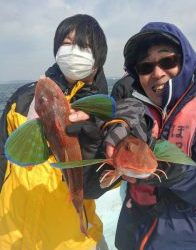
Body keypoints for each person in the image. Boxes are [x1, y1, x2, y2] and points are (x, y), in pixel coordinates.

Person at [103, 22, 196, 250]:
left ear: (185, 60)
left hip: (190, 241)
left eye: (167, 61)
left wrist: (173, 170)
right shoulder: (134, 109)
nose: (157, 73)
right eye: (145, 67)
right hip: (134, 235)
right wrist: (104, 130)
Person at [0, 14, 109, 250]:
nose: (72, 51)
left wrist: (94, 143)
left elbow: (99, 186)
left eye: (83, 46)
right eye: (66, 43)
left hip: (71, 241)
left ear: (98, 57)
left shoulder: (105, 113)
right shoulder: (24, 97)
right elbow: (2, 155)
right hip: (11, 233)